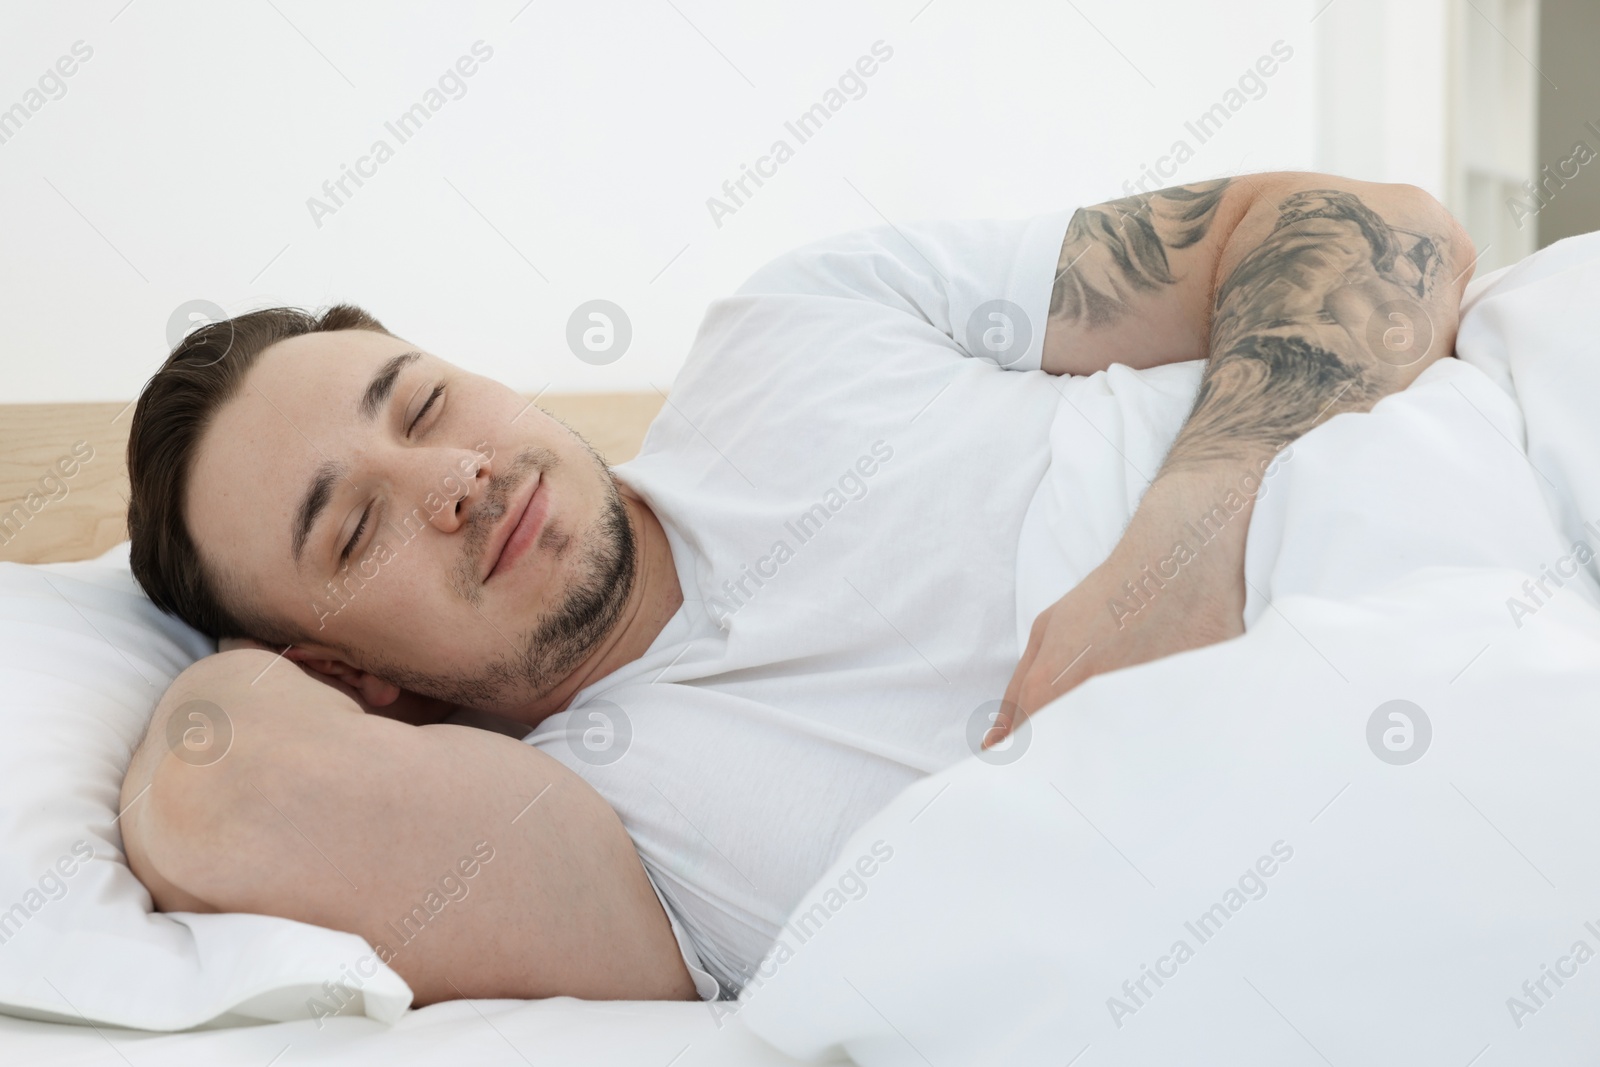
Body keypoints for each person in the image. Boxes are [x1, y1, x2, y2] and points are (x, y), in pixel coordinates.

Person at [117, 171, 1473, 1006]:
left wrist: (1179, 550)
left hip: (1478, 474)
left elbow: (1376, 227)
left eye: (420, 401)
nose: (452, 477)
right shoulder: (600, 844)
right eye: (354, 530)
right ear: (348, 677)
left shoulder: (797, 327)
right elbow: (226, 789)